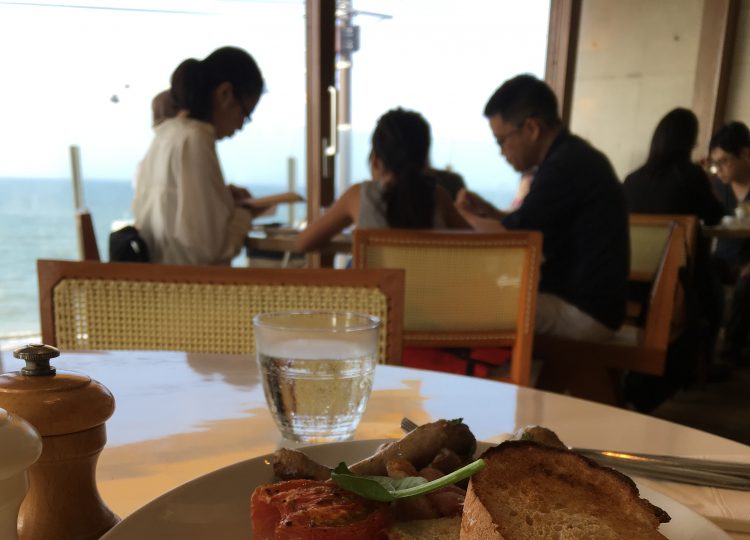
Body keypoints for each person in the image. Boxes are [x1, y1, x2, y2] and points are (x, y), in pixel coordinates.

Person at [456, 74, 629, 343]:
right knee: (481, 296)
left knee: (463, 305)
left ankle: (502, 371)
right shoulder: (572, 156)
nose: (501, 152)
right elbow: (527, 224)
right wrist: (489, 211)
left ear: (532, 128)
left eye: (501, 140)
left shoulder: (565, 166)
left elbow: (512, 238)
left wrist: (456, 213)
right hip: (592, 305)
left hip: (582, 312)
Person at [622, 108, 725, 405]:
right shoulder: (691, 176)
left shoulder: (631, 180)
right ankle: (705, 363)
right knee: (716, 285)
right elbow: (715, 215)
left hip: (629, 284)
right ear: (689, 142)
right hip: (676, 287)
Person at [133, 47, 264, 266]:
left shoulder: (165, 134)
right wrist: (245, 213)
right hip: (192, 283)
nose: (241, 126)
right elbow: (212, 248)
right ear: (225, 94)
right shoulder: (196, 139)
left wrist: (222, 198)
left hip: (159, 277)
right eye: (245, 113)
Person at [293, 107, 468, 254]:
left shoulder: (360, 195)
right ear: (424, 161)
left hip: (378, 287)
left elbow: (302, 243)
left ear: (375, 159)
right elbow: (476, 245)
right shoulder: (437, 196)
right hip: (431, 286)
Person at [708, 121, 750, 366]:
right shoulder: (719, 187)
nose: (720, 170)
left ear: (744, 154)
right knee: (700, 271)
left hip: (747, 263)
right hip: (723, 260)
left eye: (724, 161)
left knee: (746, 287)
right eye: (716, 163)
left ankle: (729, 353)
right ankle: (701, 353)